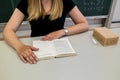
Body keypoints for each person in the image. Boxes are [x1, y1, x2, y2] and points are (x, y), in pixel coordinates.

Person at [3, 0, 89, 64]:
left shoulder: (64, 1)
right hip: (37, 52)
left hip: (60, 49)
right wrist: (20, 47)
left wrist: (63, 31)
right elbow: (8, 31)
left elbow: (84, 24)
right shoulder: (27, 2)